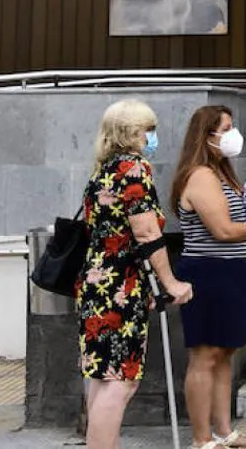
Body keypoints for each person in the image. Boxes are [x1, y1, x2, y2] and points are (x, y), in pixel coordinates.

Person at [76, 100, 193, 449]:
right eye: (149, 129)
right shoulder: (133, 168)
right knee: (121, 381)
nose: (153, 137)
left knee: (103, 377)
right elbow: (145, 233)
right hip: (119, 286)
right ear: (132, 133)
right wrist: (171, 282)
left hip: (97, 283)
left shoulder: (103, 171)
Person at [172, 106, 246, 449]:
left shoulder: (222, 172)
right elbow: (223, 230)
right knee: (205, 354)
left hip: (233, 272)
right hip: (209, 273)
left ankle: (225, 430)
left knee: (226, 351)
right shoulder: (200, 175)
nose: (233, 135)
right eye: (226, 128)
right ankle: (202, 438)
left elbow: (234, 219)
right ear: (207, 136)